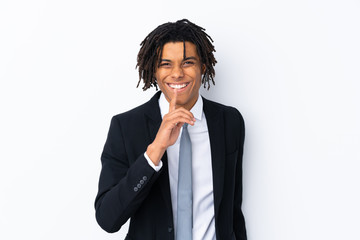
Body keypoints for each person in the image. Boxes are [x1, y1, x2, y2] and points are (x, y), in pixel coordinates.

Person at [95, 19, 247, 240]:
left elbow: (233, 209)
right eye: (166, 64)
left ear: (202, 67)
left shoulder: (229, 121)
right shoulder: (126, 127)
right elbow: (107, 219)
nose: (177, 74)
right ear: (154, 71)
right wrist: (155, 150)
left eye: (187, 62)